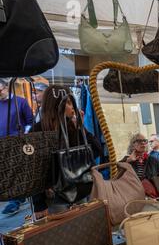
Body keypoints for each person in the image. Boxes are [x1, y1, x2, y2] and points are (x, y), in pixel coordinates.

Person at [31, 85, 102, 219]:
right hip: (54, 196)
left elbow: (97, 151)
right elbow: (35, 170)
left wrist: (82, 129)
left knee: (82, 227)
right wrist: (39, 204)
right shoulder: (38, 131)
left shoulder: (73, 126)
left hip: (79, 189)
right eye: (69, 103)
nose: (73, 107)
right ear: (58, 105)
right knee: (61, 233)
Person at [0, 78, 33, 215]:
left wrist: (24, 135)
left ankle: (15, 201)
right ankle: (17, 197)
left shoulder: (21, 102)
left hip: (17, 143)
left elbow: (30, 121)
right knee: (6, 172)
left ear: (6, 87)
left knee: (15, 171)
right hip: (2, 144)